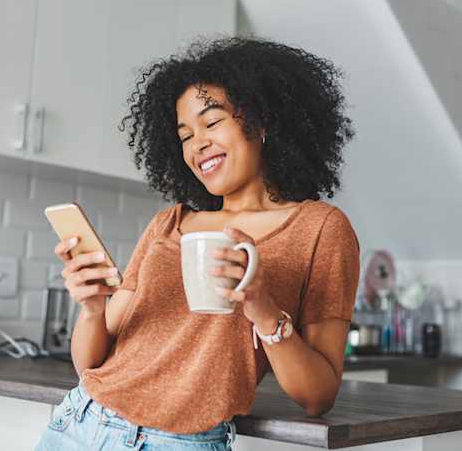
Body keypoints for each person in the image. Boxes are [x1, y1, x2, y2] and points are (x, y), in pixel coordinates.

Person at [35, 36, 361, 451]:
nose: (197, 145)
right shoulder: (168, 224)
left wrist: (262, 310)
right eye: (185, 135)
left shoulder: (319, 229)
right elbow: (91, 365)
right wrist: (91, 309)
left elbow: (318, 396)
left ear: (261, 121)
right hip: (80, 422)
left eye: (211, 122)